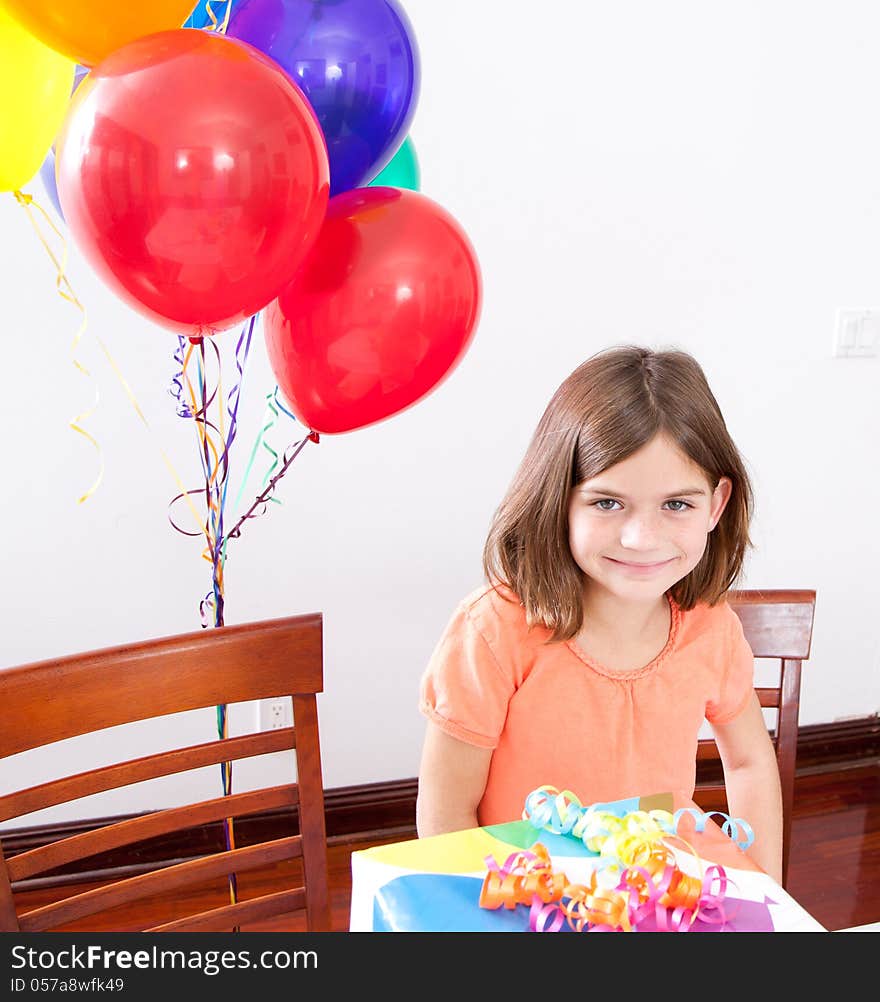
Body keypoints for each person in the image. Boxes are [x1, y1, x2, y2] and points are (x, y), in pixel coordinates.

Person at [416, 344, 783, 883]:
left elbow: (750, 762)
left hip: (656, 901)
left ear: (716, 504)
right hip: (526, 909)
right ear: (558, 498)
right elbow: (445, 816)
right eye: (607, 502)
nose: (641, 539)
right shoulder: (493, 631)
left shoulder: (711, 627)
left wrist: (767, 896)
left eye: (676, 504)